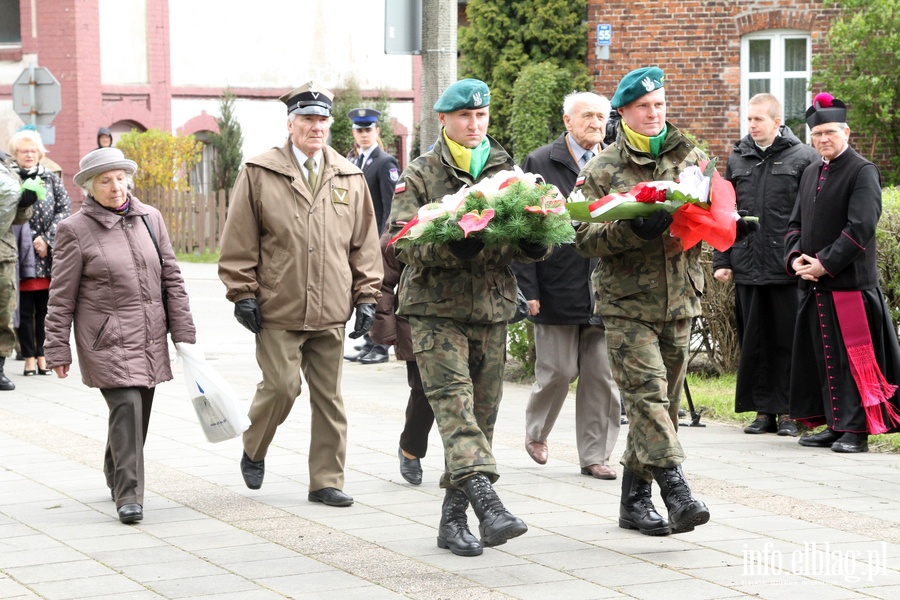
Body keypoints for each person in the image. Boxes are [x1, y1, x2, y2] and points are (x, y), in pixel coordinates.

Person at [389, 78, 546, 557]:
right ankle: (489, 505)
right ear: (443, 120)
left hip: (492, 309)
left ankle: (452, 522)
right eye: (464, 117)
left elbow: (531, 227)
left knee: (482, 416)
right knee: (455, 410)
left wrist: (534, 243)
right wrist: (452, 243)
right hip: (435, 311)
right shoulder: (419, 173)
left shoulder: (506, 171)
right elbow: (401, 240)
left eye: (481, 116)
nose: (474, 125)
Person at [218, 81, 383, 508]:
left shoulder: (349, 174)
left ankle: (326, 480)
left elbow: (364, 242)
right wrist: (242, 292)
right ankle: (254, 446)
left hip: (331, 307)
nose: (316, 127)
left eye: (322, 120)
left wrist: (367, 296)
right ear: (290, 124)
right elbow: (240, 237)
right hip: (278, 305)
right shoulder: (260, 171)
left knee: (330, 399)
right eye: (307, 119)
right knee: (281, 387)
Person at [572, 67, 712, 537]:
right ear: (624, 113)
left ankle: (633, 501)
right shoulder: (602, 167)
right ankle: (676, 490)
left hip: (680, 298)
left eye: (660, 105)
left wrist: (721, 229)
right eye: (643, 107)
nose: (654, 114)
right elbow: (582, 235)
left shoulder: (692, 155)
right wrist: (631, 230)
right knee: (647, 396)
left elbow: (712, 211)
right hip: (627, 302)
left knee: (663, 407)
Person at [44, 147, 196, 524]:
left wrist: (184, 333)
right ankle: (129, 495)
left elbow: (171, 278)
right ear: (90, 188)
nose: (115, 187)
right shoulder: (74, 230)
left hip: (148, 335)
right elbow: (61, 296)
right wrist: (56, 348)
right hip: (106, 340)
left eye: (119, 178)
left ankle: (115, 470)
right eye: (105, 181)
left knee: (138, 413)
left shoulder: (150, 219)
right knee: (126, 406)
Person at [512, 91, 622, 480]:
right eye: (587, 116)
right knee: (557, 371)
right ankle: (536, 431)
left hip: (604, 287)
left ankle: (596, 455)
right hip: (557, 282)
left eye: (601, 116)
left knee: (601, 377)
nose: (596, 123)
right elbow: (524, 229)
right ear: (567, 121)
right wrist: (530, 290)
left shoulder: (614, 161)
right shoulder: (541, 162)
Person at [787, 93, 900, 453]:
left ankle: (856, 430)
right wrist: (795, 259)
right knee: (824, 356)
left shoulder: (862, 170)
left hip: (850, 286)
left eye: (830, 132)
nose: (823, 139)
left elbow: (861, 227)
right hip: (815, 287)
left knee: (855, 360)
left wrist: (824, 263)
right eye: (817, 133)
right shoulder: (809, 172)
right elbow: (794, 225)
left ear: (846, 131)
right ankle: (835, 423)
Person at [712, 94, 819, 437]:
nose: (752, 125)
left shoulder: (804, 157)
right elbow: (725, 213)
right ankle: (763, 412)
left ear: (777, 122)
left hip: (787, 267)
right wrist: (722, 259)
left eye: (758, 119)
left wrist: (808, 259)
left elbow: (811, 215)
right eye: (749, 119)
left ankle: (790, 412)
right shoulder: (738, 158)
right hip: (747, 265)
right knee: (754, 343)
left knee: (788, 342)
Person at [369, 230, 434, 485]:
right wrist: (385, 328)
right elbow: (382, 281)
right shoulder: (403, 225)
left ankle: (467, 462)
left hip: (466, 317)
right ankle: (411, 449)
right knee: (424, 392)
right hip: (417, 321)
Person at [7, 129, 72, 377]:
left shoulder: (51, 179)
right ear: (15, 154)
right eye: (24, 151)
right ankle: (29, 357)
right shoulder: (10, 180)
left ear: (40, 154)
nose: (29, 155)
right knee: (24, 310)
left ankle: (44, 356)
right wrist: (31, 238)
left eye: (33, 151)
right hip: (20, 254)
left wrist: (47, 238)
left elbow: (64, 209)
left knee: (45, 309)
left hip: (47, 255)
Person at [344, 108, 400, 365]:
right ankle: (369, 341)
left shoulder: (385, 162)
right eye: (359, 130)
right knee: (364, 292)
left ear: (377, 131)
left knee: (379, 294)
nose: (364, 135)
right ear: (354, 133)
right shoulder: (353, 161)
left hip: (376, 239)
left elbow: (391, 205)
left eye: (368, 130)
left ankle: (380, 346)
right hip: (357, 239)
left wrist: (384, 239)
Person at [0, 162, 36, 390]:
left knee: (3, 314)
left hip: (3, 255)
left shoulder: (5, 170)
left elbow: (20, 218)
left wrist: (25, 203)